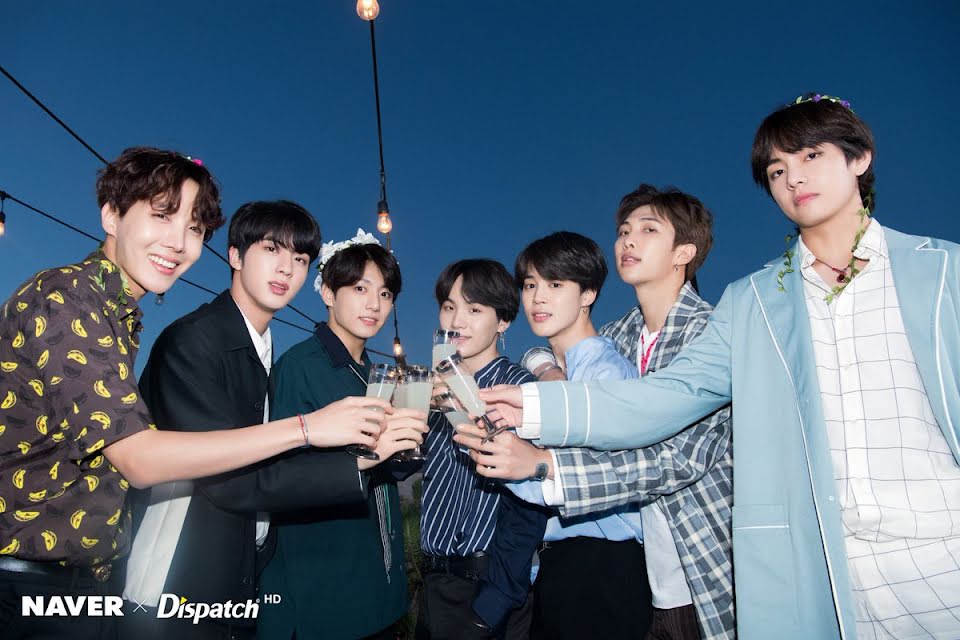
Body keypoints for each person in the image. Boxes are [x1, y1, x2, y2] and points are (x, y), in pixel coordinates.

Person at [480, 94, 960, 639]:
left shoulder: (944, 272)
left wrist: (544, 464)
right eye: (777, 169)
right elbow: (663, 396)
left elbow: (681, 454)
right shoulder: (754, 302)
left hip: (937, 562)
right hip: (808, 573)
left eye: (811, 156)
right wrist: (537, 396)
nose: (793, 177)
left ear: (860, 158)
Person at [0, 148, 387, 640]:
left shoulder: (116, 313)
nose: (179, 242)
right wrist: (312, 430)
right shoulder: (69, 298)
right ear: (111, 215)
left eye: (195, 228)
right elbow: (141, 459)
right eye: (162, 216)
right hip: (35, 584)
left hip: (81, 582)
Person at [120, 204, 423, 639]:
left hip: (238, 576)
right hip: (178, 581)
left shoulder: (260, 344)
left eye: (299, 258)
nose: (286, 268)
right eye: (271, 249)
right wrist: (336, 443)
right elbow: (229, 480)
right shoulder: (194, 340)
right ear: (235, 255)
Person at [459, 189, 734, 640]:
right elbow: (565, 348)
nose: (628, 240)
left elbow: (675, 459)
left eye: (648, 230)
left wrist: (543, 465)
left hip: (693, 560)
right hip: (631, 568)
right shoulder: (621, 333)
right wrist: (545, 369)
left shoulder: (712, 333)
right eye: (623, 231)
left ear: (684, 252)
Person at [474, 231, 653, 640]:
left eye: (555, 285)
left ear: (588, 293)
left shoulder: (606, 373)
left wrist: (520, 462)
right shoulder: (559, 370)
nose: (538, 298)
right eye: (530, 285)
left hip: (603, 565)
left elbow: (616, 476)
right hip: (561, 564)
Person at [256, 232, 427, 640]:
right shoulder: (300, 366)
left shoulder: (373, 375)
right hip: (323, 588)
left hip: (378, 585)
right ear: (329, 294)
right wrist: (369, 455)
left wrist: (408, 442)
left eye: (385, 294)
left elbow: (385, 468)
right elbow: (281, 478)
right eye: (360, 289)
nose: (375, 305)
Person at [415, 259, 535, 640]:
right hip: (433, 584)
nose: (457, 321)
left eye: (474, 309)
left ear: (503, 321)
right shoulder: (434, 386)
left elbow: (531, 505)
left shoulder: (520, 389)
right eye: (449, 307)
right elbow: (409, 468)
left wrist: (493, 604)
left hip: (486, 587)